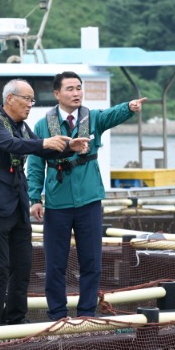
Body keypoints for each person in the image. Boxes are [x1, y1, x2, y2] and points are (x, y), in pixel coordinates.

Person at [27, 71, 146, 320]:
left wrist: (129, 107)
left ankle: (86, 313)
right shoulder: (42, 125)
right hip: (58, 202)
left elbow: (111, 116)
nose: (76, 93)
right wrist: (35, 198)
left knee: (91, 261)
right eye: (70, 88)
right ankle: (57, 314)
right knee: (55, 263)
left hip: (89, 200)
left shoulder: (92, 118)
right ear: (57, 94)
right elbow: (36, 165)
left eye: (79, 88)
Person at [0, 79, 89, 327]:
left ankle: (16, 317)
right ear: (10, 98)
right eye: (27, 99)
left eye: (32, 100)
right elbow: (10, 144)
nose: (30, 105)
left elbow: (41, 149)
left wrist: (70, 147)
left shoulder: (21, 126)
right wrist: (44, 141)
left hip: (16, 204)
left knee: (23, 265)